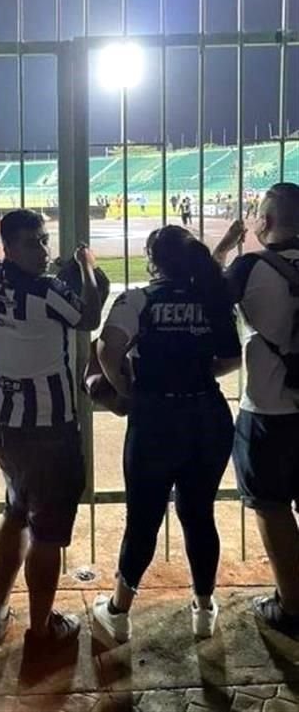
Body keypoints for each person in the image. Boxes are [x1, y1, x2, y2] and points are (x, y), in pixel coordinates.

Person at [0, 187, 102, 655]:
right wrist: (86, 268)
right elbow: (89, 317)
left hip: (5, 421)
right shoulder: (48, 290)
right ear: (11, 247)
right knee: (47, 531)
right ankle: (41, 629)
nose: (42, 249)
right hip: (50, 426)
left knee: (15, 510)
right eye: (34, 242)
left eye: (43, 239)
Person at [93, 225, 241, 642]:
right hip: (207, 415)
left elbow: (108, 350)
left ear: (152, 260)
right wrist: (196, 373)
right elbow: (231, 357)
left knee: (144, 518)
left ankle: (119, 613)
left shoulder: (138, 298)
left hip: (157, 417)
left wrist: (129, 390)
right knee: (199, 514)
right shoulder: (211, 299)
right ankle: (204, 608)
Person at [214, 183, 299, 636]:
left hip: (268, 410)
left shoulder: (251, 267)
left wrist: (224, 249)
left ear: (264, 223)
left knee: (271, 506)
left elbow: (208, 302)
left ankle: (292, 605)